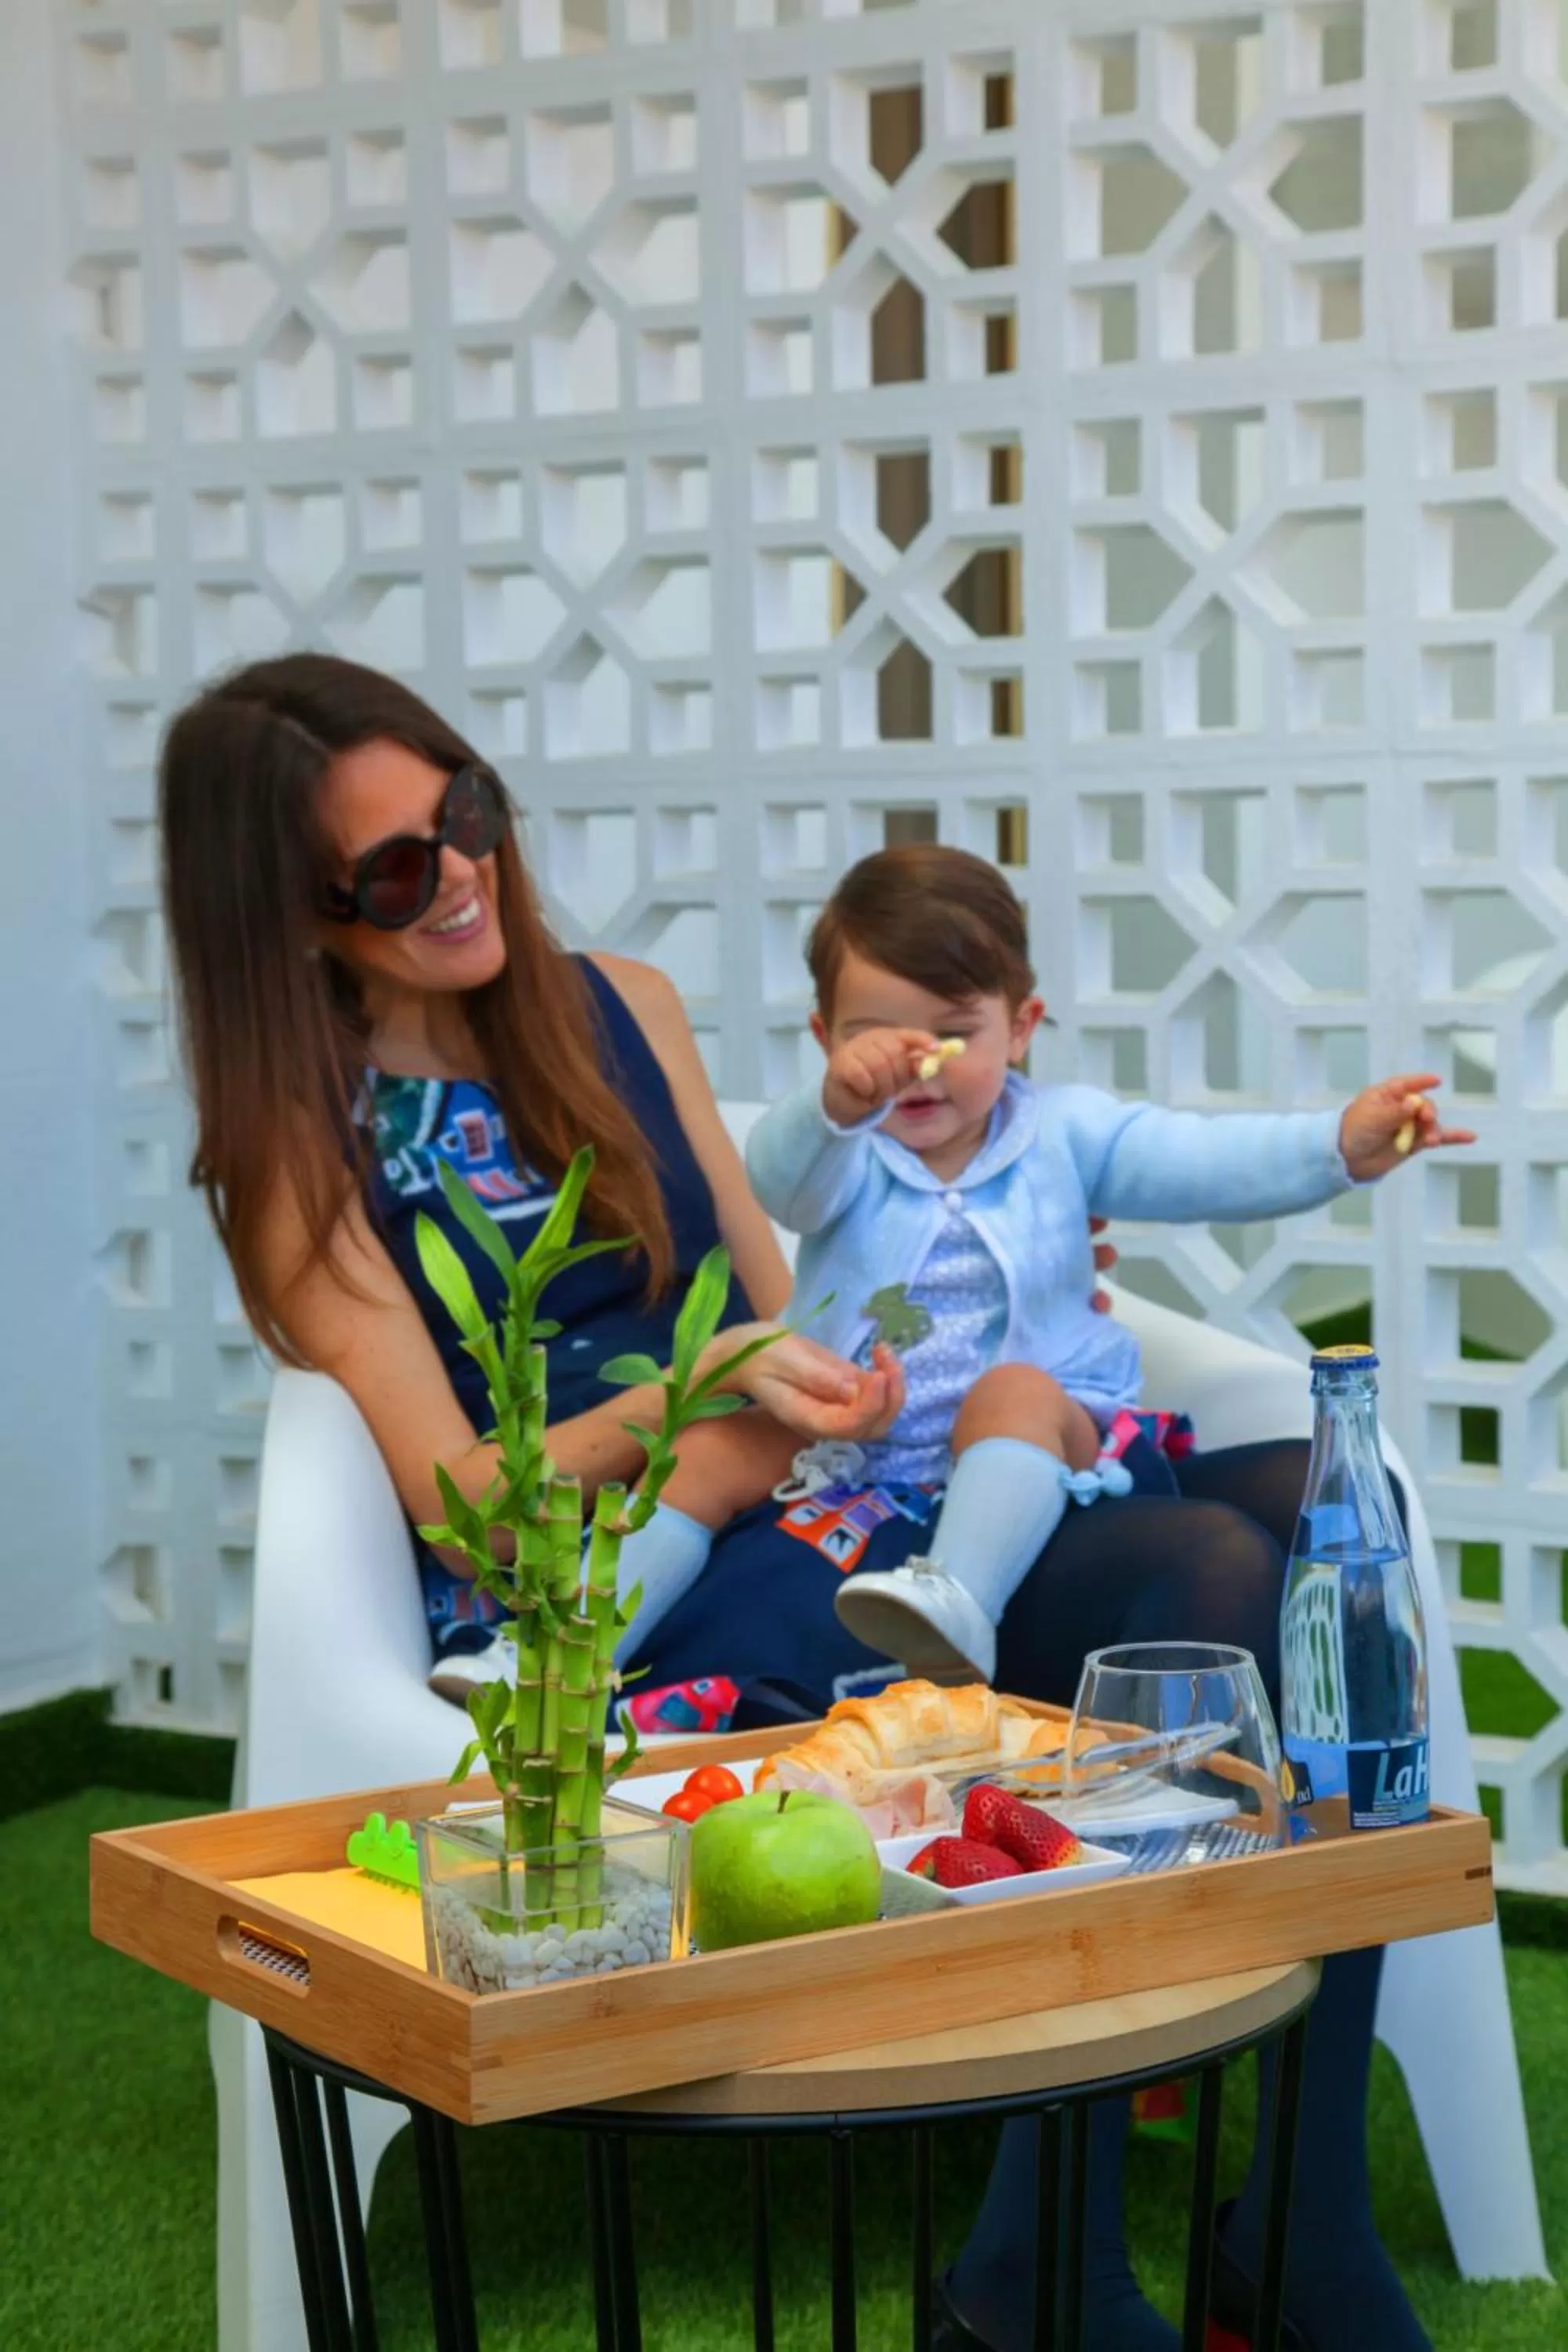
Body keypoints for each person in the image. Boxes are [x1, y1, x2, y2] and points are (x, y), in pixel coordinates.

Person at [158, 653, 1435, 2352]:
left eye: (463, 812)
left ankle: (1292, 2215)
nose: (461, 872)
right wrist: (691, 1397)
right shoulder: (298, 1148)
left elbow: (789, 1286)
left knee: (1329, 1530)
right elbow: (461, 1507)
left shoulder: (618, 1001)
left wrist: (944, 1320)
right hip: (612, 1586)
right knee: (1215, 1557)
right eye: (395, 867)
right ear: (292, 913)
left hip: (836, 1506)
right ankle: (1053, 2265)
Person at [615, 844, 1468, 1685]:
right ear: (824, 1038)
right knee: (706, 1448)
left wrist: (1334, 1147)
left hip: (1037, 1440)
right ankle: (569, 1648)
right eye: (872, 1040)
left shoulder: (1063, 1134)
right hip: (858, 1442)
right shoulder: (842, 1155)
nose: (912, 1070)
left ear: (1019, 1026)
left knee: (1015, 1387)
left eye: (950, 1036)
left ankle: (953, 1601)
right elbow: (778, 1178)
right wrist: (835, 1103)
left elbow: (1197, 1157)